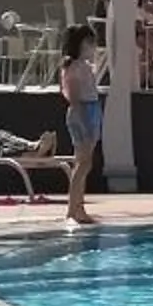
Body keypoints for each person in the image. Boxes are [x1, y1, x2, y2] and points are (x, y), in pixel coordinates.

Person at [58, 26, 104, 228]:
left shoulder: (83, 66)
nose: (92, 47)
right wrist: (84, 122)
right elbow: (75, 99)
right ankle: (73, 208)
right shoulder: (75, 67)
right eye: (89, 43)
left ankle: (79, 208)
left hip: (91, 110)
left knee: (85, 163)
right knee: (83, 163)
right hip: (83, 112)